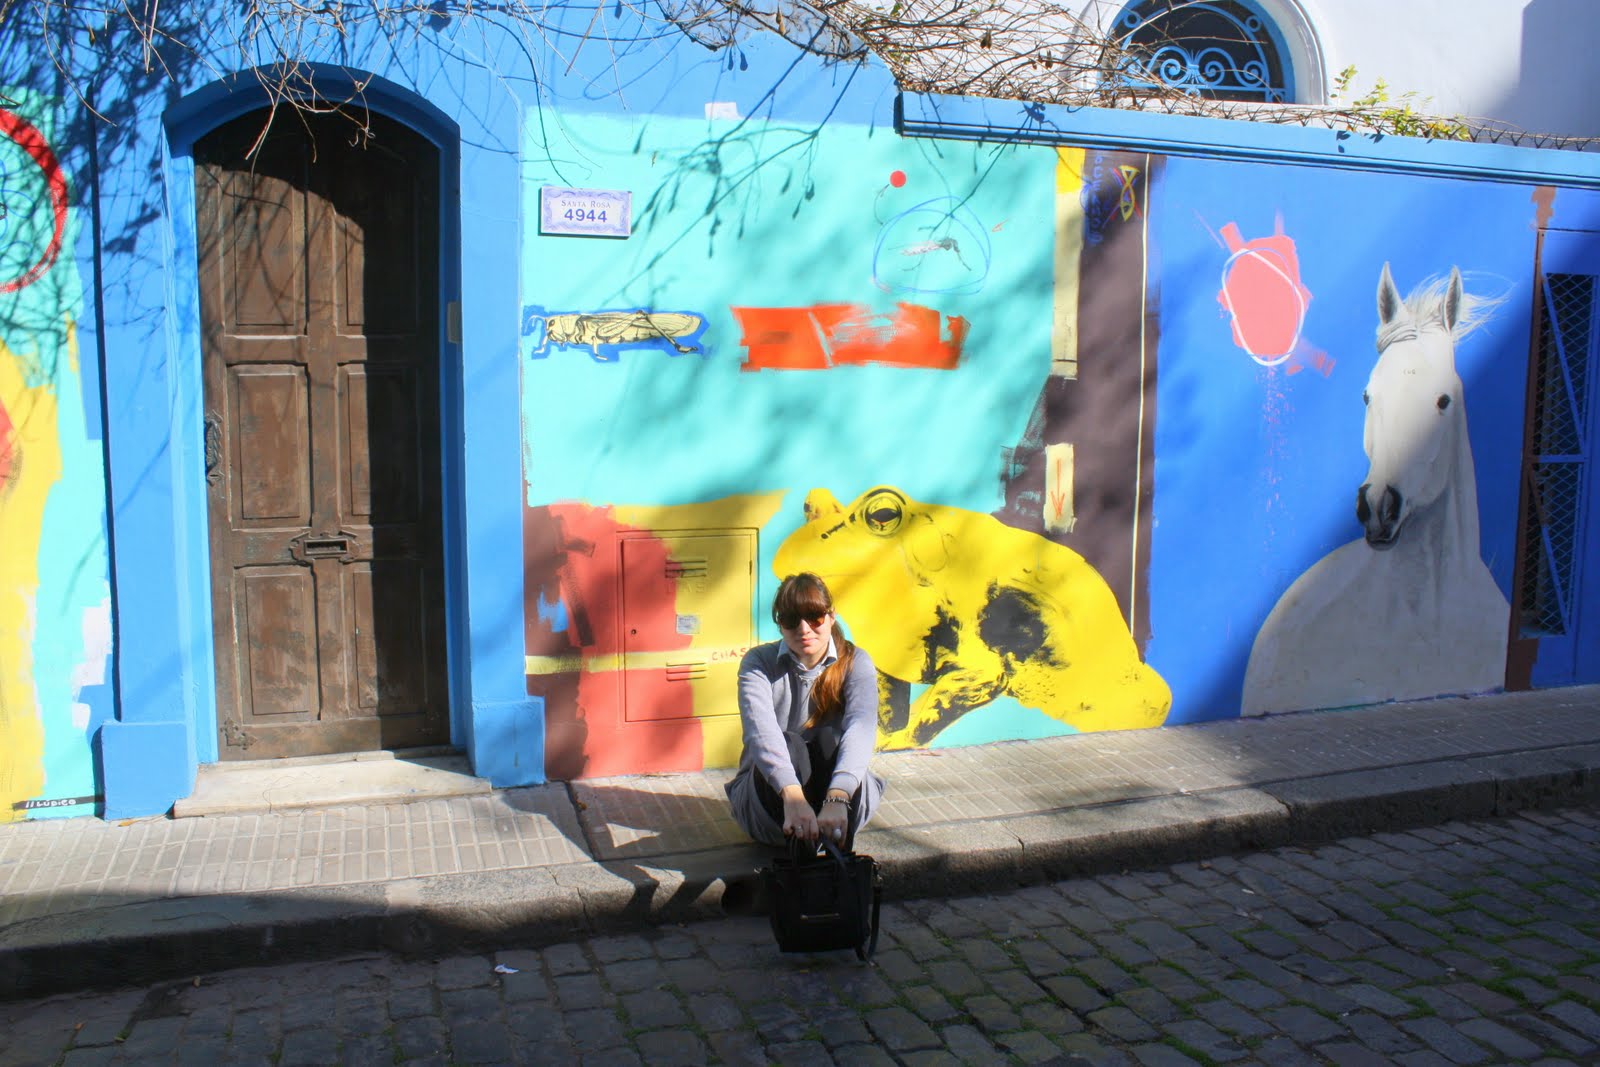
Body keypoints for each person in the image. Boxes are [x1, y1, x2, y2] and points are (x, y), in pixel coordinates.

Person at [725, 572, 884, 849]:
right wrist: (793, 797)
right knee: (789, 745)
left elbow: (861, 729)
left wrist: (838, 796)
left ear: (831, 616)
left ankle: (829, 839)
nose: (804, 629)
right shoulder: (758, 663)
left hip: (840, 807)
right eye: (791, 620)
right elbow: (761, 733)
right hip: (773, 807)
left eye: (814, 617)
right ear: (780, 624)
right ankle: (804, 844)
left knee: (829, 739)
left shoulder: (856, 662)